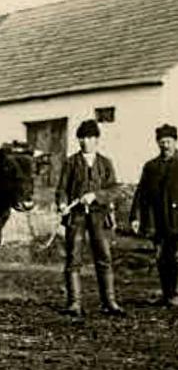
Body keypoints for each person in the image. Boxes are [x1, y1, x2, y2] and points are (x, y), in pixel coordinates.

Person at [55, 119, 124, 317]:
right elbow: (62, 189)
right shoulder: (70, 162)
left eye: (90, 137)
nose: (85, 141)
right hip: (75, 218)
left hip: (99, 217)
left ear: (97, 140)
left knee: (104, 258)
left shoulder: (105, 163)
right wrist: (62, 204)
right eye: (82, 138)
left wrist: (96, 196)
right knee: (73, 259)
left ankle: (109, 302)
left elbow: (114, 189)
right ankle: (74, 303)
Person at [129, 123, 178, 306]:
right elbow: (141, 193)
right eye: (162, 142)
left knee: (176, 257)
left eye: (169, 141)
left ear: (175, 141)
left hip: (177, 219)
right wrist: (135, 216)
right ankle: (168, 294)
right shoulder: (151, 166)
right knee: (162, 258)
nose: (165, 145)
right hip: (159, 220)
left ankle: (175, 293)